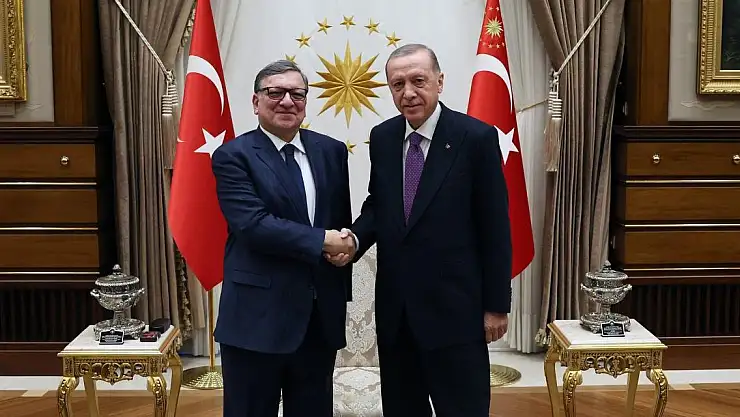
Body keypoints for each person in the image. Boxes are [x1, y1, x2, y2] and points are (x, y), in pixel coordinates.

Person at [327, 44, 512, 417]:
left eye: (418, 81)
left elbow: (495, 227)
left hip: (456, 314)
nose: (408, 93)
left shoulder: (475, 137)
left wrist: (496, 306)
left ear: (439, 82)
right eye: (398, 84)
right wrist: (354, 240)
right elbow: (379, 205)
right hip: (397, 315)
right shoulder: (383, 137)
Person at [212, 60, 356, 417]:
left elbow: (339, 220)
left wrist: (346, 247)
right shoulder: (233, 156)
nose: (287, 101)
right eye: (275, 92)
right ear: (256, 102)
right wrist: (324, 241)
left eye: (297, 94)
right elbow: (253, 225)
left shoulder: (332, 151)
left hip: (318, 319)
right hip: (256, 319)